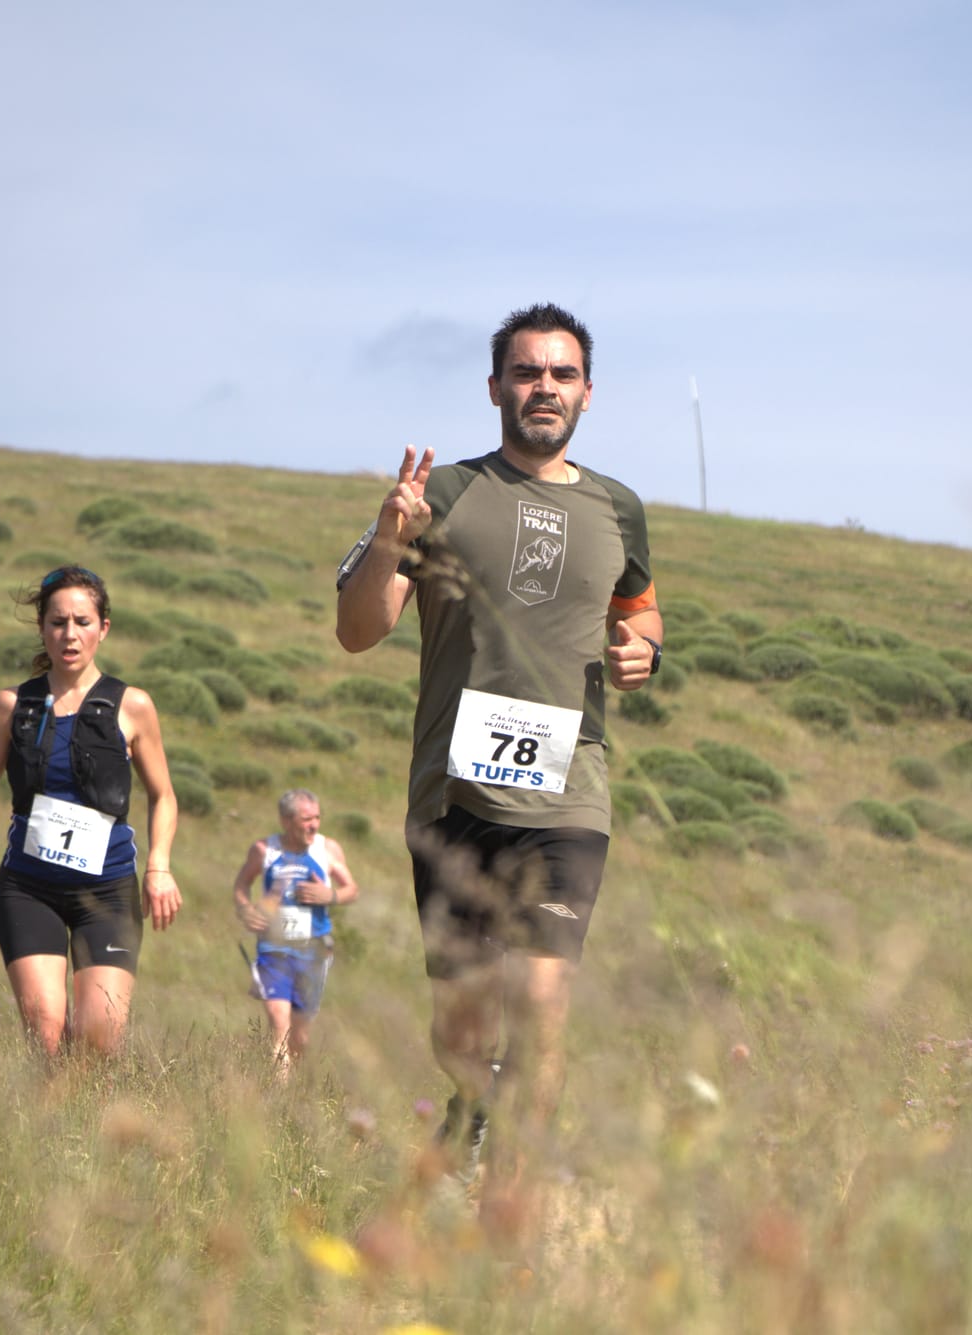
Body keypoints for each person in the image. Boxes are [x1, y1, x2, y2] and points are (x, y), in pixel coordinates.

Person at [334, 302, 663, 1211]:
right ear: (494, 389)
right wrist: (390, 536)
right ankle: (471, 1113)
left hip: (570, 793)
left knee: (544, 1004)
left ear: (588, 394)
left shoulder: (618, 508)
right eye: (526, 372)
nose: (543, 388)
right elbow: (359, 631)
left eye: (561, 374)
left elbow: (638, 613)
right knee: (462, 1029)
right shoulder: (442, 495)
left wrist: (645, 653)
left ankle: (506, 1220)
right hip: (454, 797)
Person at [0, 565, 183, 1057]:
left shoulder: (133, 706)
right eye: (58, 622)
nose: (69, 634)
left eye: (82, 621)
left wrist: (159, 868)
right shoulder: (12, 705)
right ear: (42, 628)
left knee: (97, 1044)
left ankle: (87, 1131)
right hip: (29, 889)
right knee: (47, 1033)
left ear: (103, 628)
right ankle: (43, 1130)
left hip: (108, 891)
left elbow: (164, 795)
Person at [230, 788, 360, 1072]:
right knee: (279, 1023)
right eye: (306, 819)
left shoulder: (327, 850)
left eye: (317, 817)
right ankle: (278, 1100)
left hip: (313, 950)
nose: (314, 825)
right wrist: (246, 910)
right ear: (286, 821)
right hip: (273, 948)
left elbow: (351, 889)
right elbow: (241, 884)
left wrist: (331, 896)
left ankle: (296, 1085)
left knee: (300, 1036)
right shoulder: (264, 850)